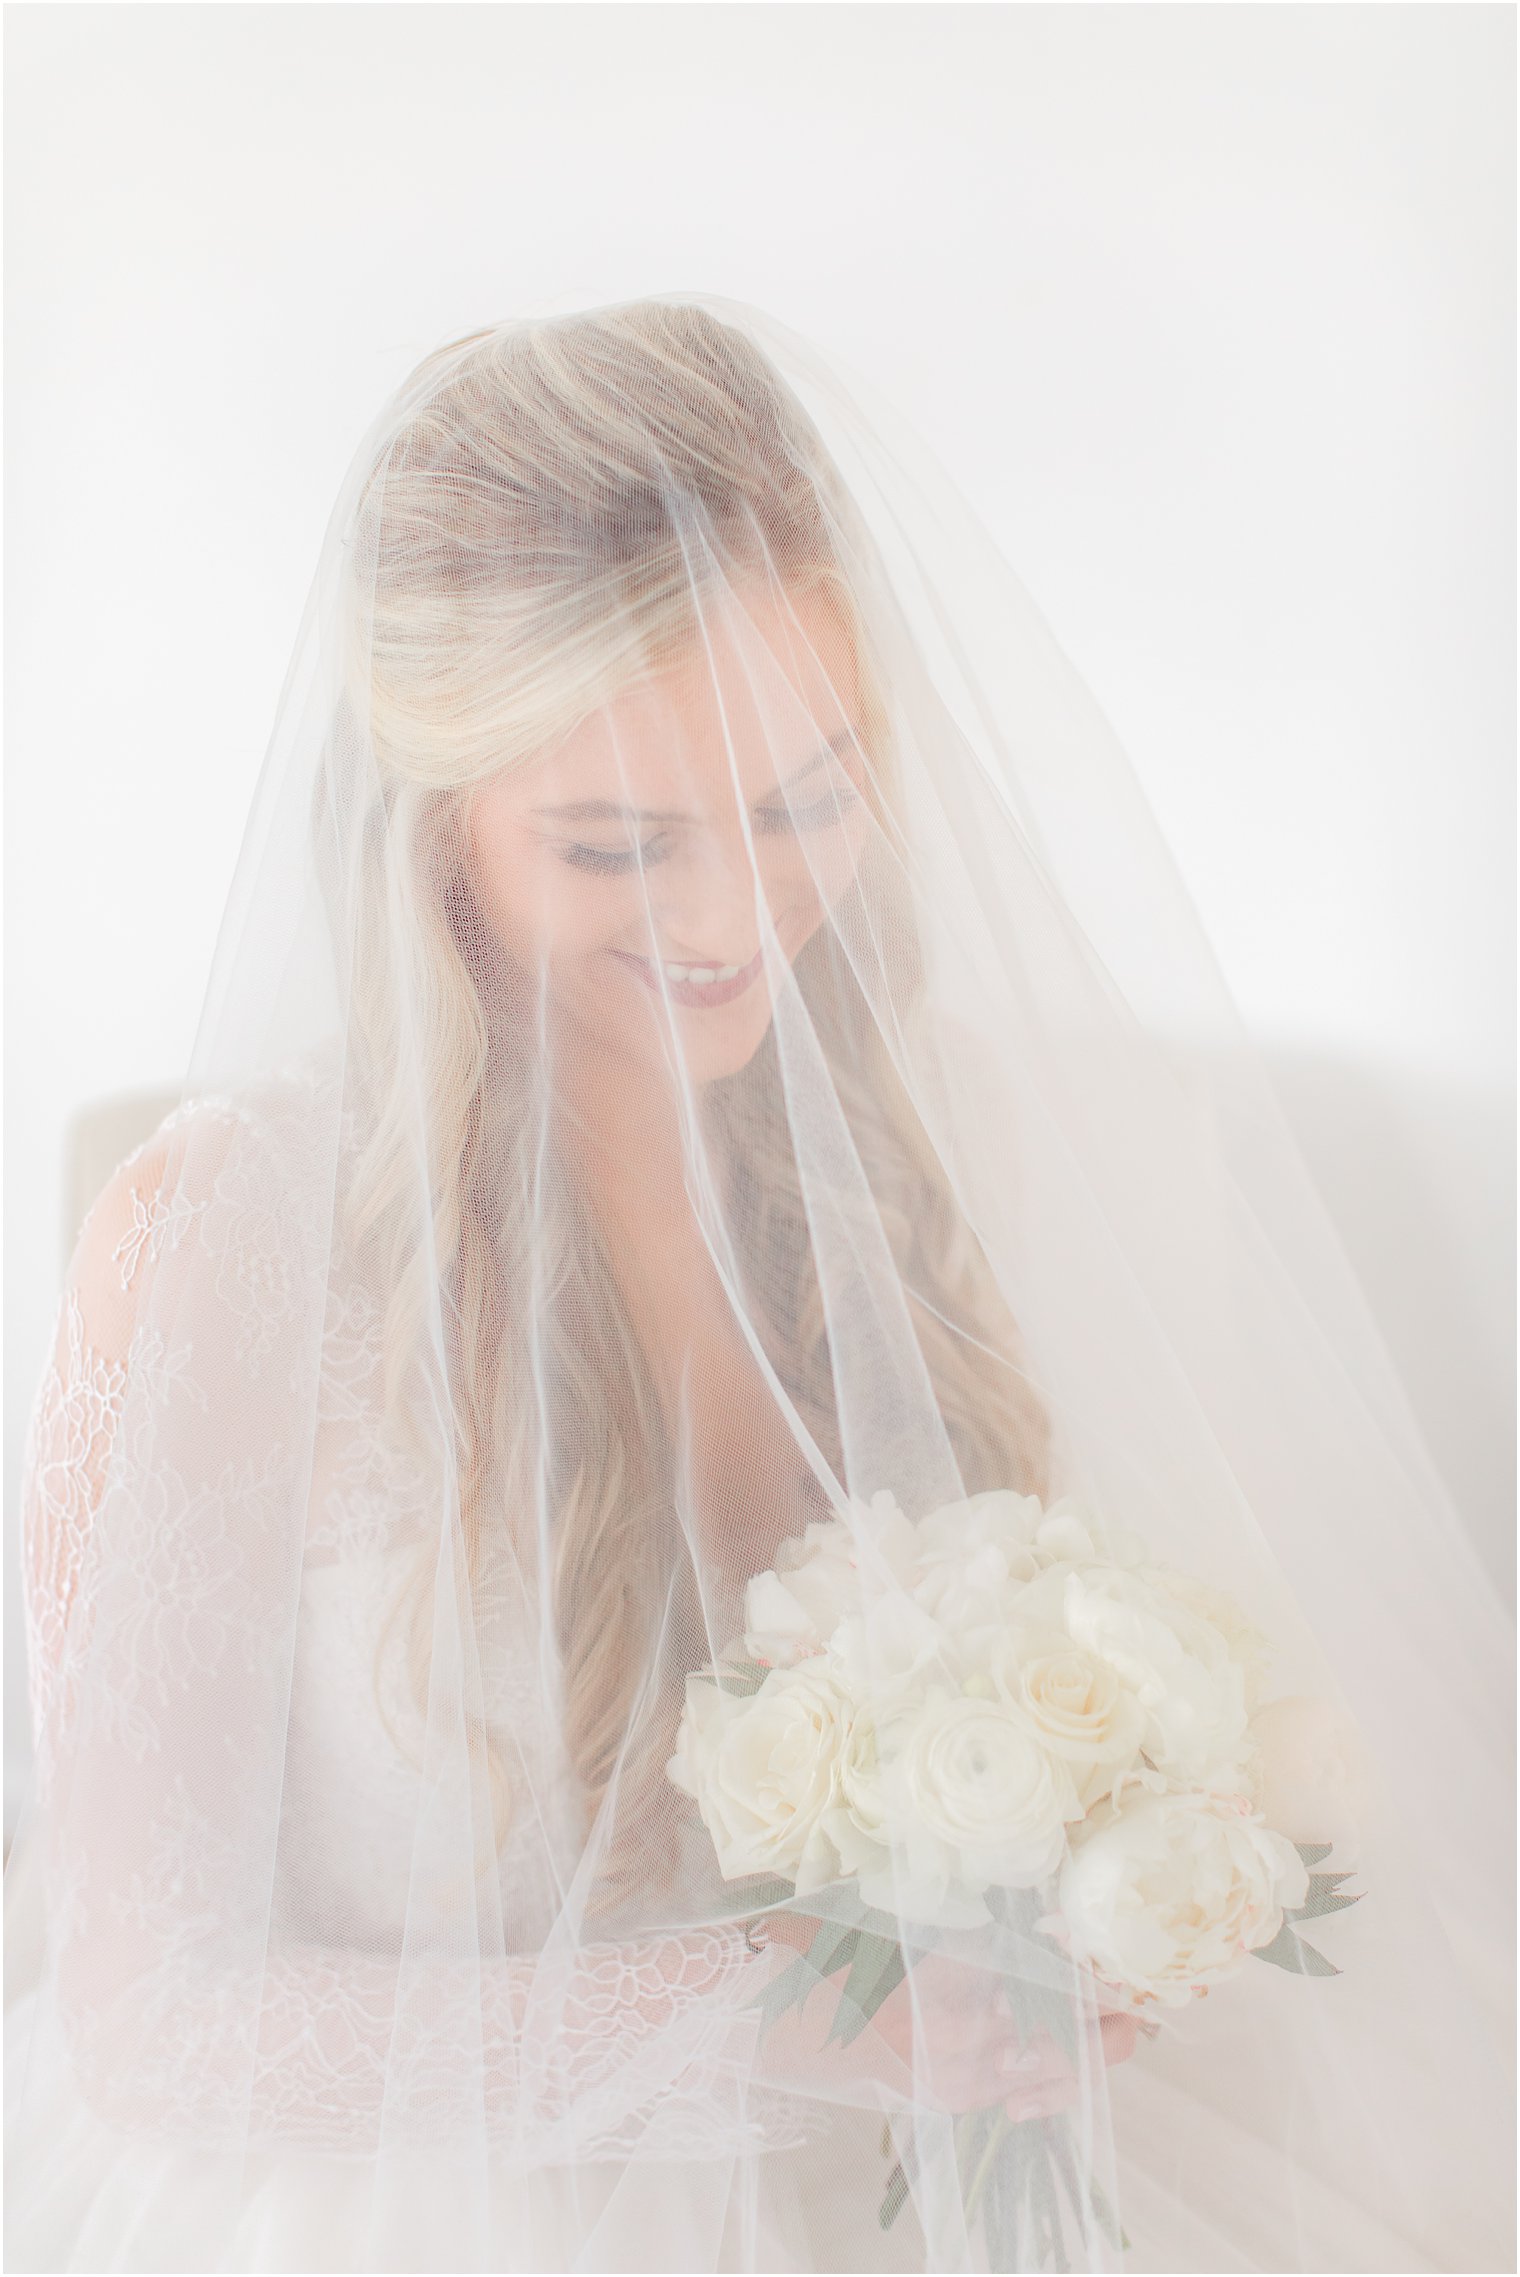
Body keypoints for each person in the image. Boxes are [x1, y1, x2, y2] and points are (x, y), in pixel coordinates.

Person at [4, 295, 1512, 2274]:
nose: (733, 919)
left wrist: (1123, 1874)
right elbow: (150, 2013)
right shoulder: (234, 1245)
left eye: (804, 803)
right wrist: (783, 2022)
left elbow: (1217, 1719)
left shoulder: (957, 1138)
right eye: (619, 842)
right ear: (430, 822)